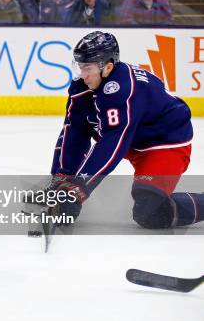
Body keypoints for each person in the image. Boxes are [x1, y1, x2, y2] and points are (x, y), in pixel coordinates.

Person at [44, 31, 202, 231]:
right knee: (82, 122)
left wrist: (78, 189)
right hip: (133, 134)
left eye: (88, 68)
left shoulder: (121, 89)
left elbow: (113, 142)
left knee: (150, 212)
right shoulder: (83, 83)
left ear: (107, 67)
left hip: (165, 143)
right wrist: (62, 176)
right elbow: (73, 128)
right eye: (80, 67)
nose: (82, 75)